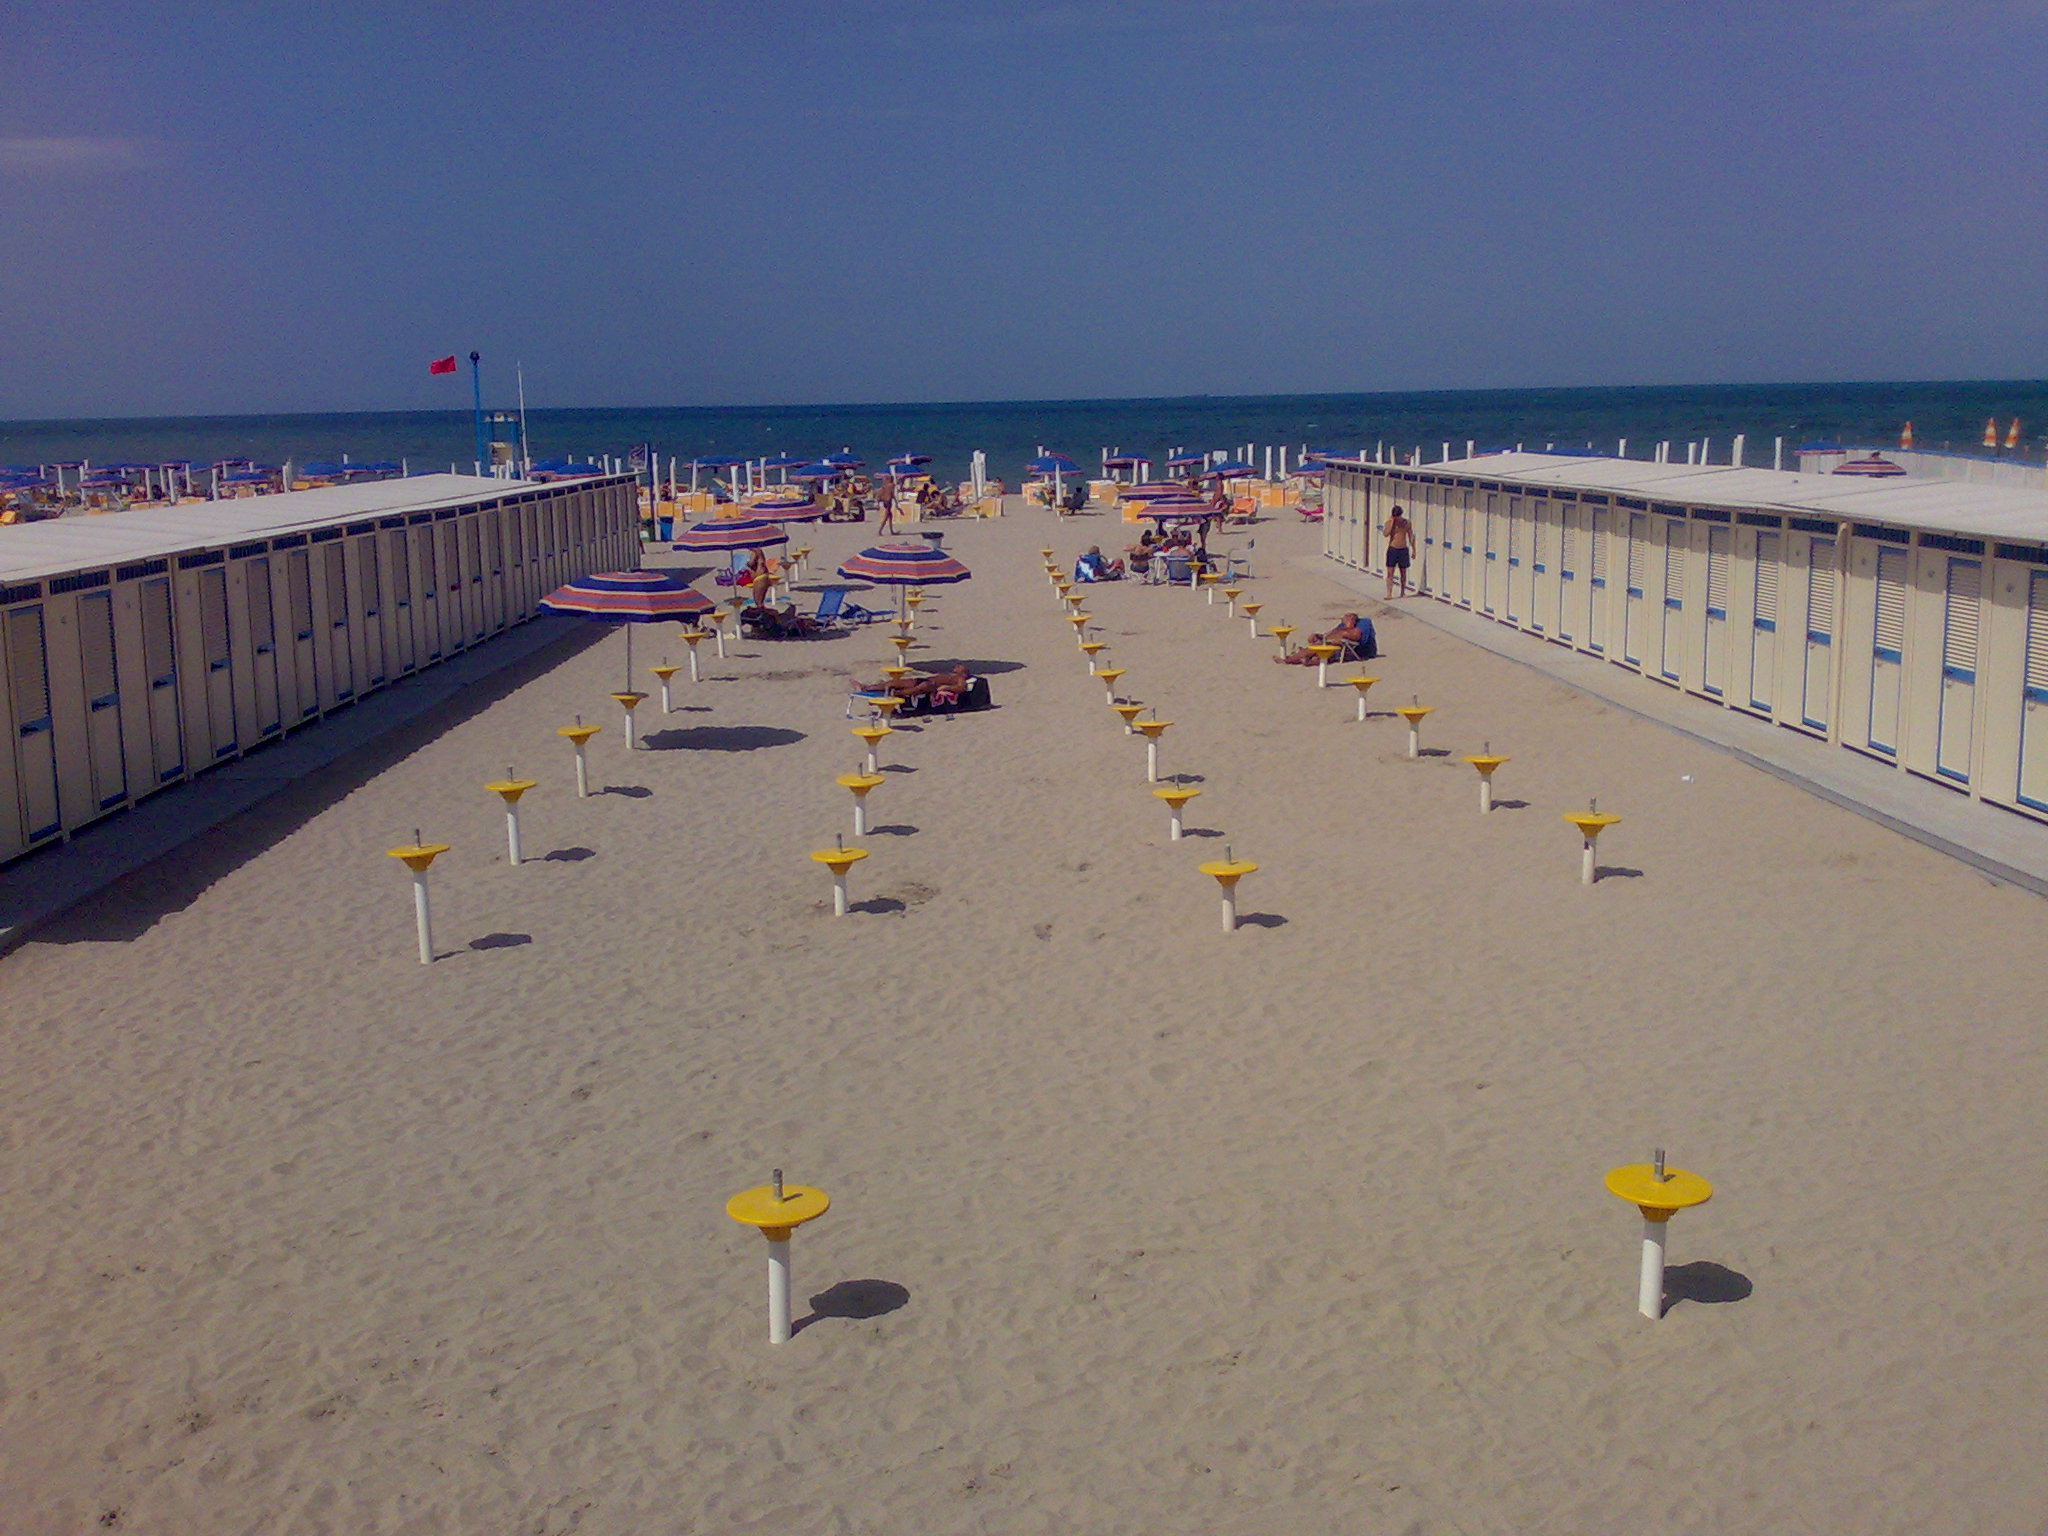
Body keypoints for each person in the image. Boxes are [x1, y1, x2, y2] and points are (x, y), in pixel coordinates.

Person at [1274, 613, 1375, 663]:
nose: (1344, 619)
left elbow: (1352, 640)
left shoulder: (1356, 630)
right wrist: (1319, 636)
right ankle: (1305, 660)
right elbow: (1326, 635)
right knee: (1314, 650)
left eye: (1348, 618)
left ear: (1353, 620)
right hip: (1328, 645)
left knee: (1315, 649)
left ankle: (1288, 660)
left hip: (1342, 650)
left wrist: (1331, 640)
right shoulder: (1339, 628)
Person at [1382, 504, 1415, 597]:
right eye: (1395, 517)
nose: (1397, 519)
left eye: (1398, 517)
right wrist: (1392, 523)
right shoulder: (1389, 522)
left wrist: (1414, 549)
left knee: (1403, 572)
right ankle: (1389, 593)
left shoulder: (1406, 523)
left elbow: (1411, 535)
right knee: (1390, 572)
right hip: (1393, 548)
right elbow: (1385, 534)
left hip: (1403, 549)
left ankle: (1403, 592)